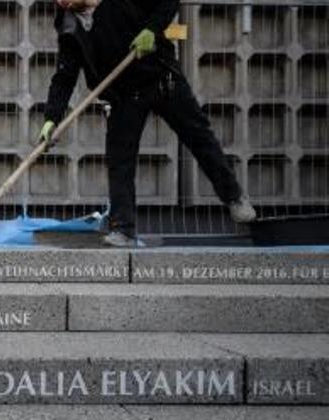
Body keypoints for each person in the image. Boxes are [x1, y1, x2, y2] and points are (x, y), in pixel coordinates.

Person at [39, 0, 256, 247]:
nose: (61, 1)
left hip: (162, 79)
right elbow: (65, 74)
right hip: (123, 94)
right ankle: (124, 230)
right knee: (119, 160)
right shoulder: (68, 21)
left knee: (199, 138)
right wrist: (51, 118)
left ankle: (233, 196)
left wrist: (152, 30)